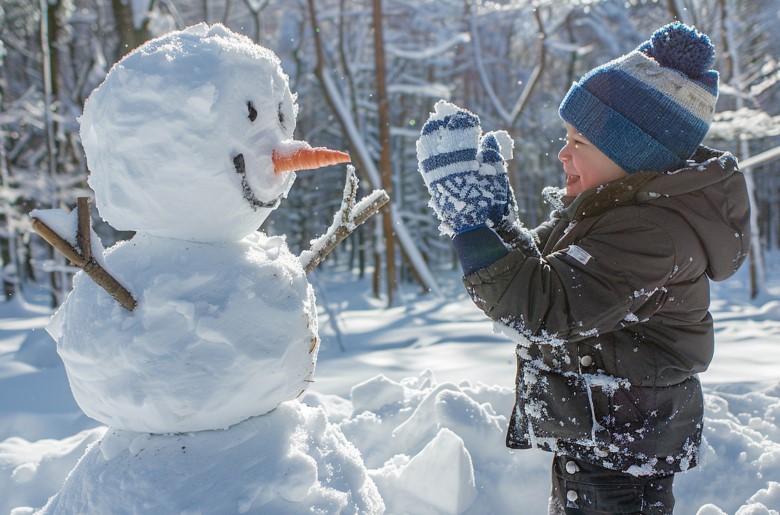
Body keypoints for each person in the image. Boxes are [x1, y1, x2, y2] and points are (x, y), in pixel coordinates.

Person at [416, 22, 751, 514]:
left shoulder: (649, 232)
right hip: (608, 428)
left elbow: (546, 307)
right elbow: (546, 274)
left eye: (580, 142)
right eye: (565, 136)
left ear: (631, 154)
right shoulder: (611, 211)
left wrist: (468, 225)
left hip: (624, 441)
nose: (562, 152)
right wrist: (497, 224)